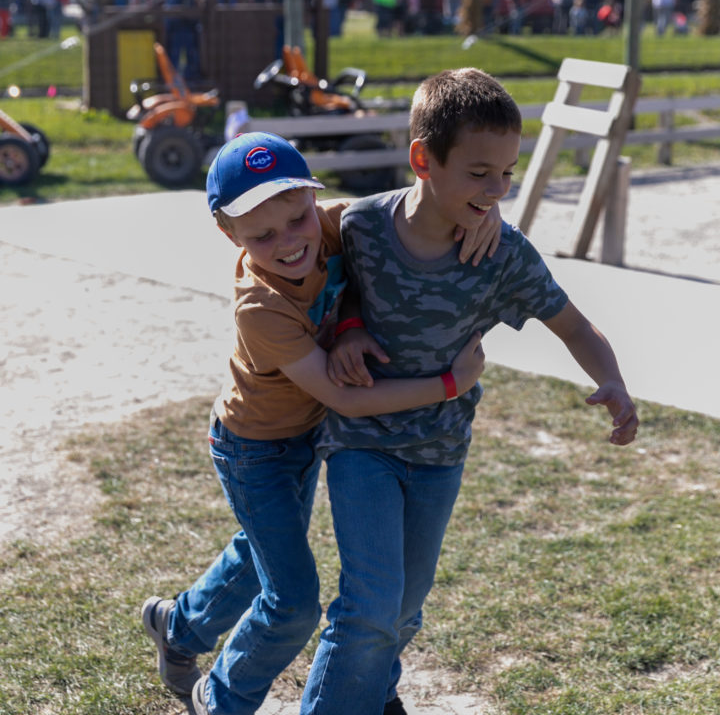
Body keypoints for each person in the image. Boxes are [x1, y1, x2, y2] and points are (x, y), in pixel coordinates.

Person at [300, 67, 639, 715]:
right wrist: (344, 331)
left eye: (507, 173)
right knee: (368, 607)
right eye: (480, 173)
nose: (496, 188)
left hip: (439, 455)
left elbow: (572, 324)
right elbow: (327, 286)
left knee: (401, 613)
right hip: (361, 445)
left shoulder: (503, 254)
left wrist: (614, 380)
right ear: (423, 159)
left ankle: (375, 694)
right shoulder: (361, 226)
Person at [140, 131, 497, 715]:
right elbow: (346, 398)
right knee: (293, 600)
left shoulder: (331, 224)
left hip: (308, 436)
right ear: (229, 235)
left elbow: (423, 201)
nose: (288, 241)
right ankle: (221, 698)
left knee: (262, 552)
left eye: (297, 217)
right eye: (261, 234)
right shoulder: (260, 305)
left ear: (313, 199)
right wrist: (451, 384)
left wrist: (487, 205)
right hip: (254, 449)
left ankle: (178, 627)